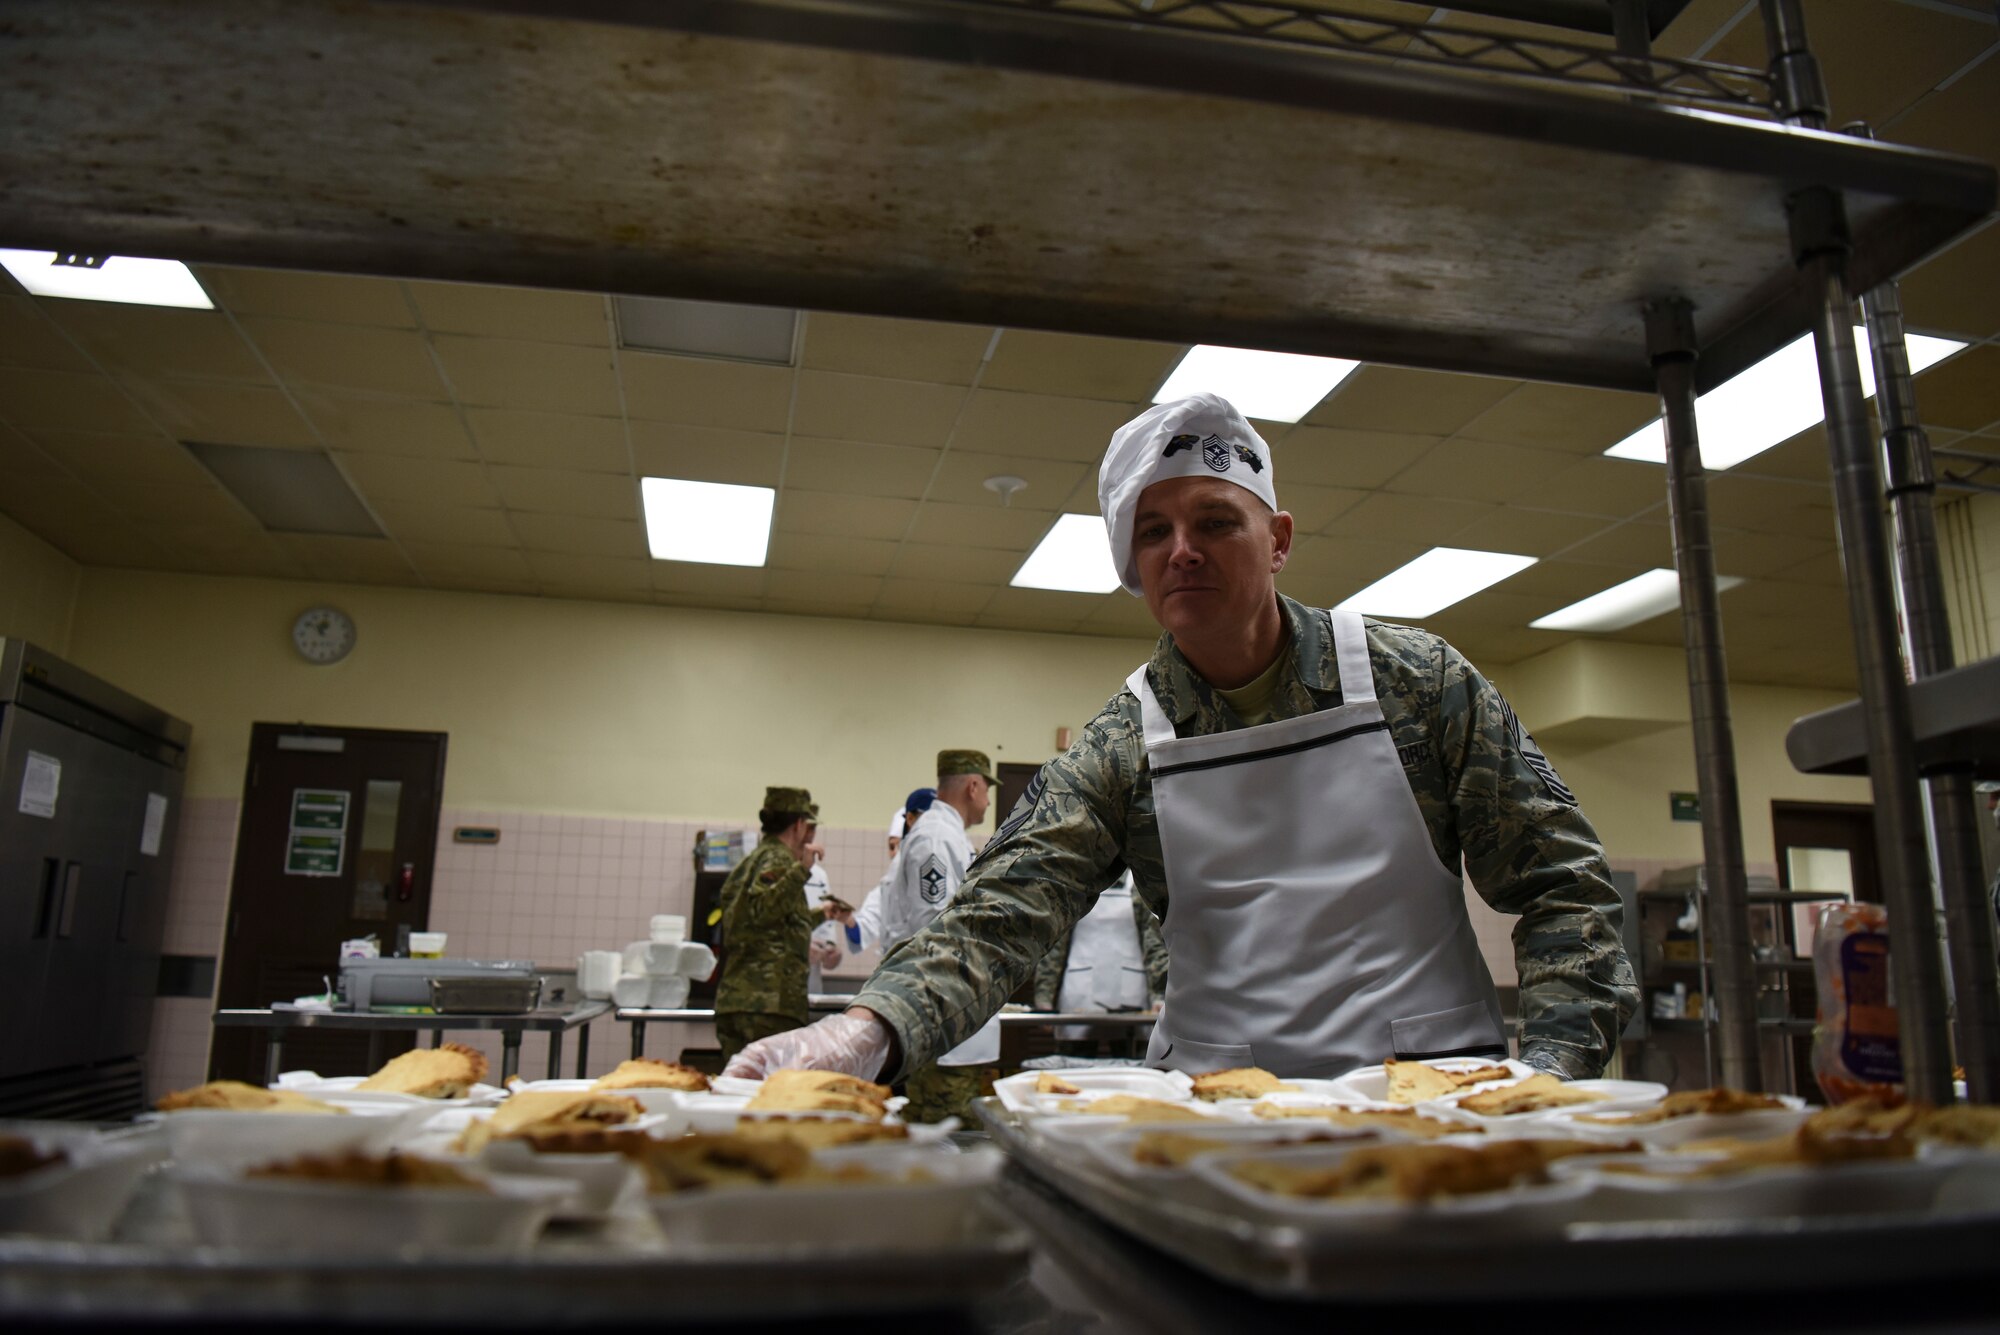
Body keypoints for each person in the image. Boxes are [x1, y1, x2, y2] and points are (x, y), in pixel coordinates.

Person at [724, 393, 1637, 1089]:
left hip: (1438, 1110)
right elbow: (1001, 911)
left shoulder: (1420, 682)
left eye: (1213, 521)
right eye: (1153, 531)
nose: (1182, 550)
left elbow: (1568, 886)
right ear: (1133, 565)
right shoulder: (1125, 743)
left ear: (1276, 538)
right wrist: (868, 1029)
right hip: (1218, 1124)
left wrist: (1550, 1076)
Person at [875, 753, 1003, 1122]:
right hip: (943, 1016)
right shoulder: (935, 838)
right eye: (986, 790)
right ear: (973, 786)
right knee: (940, 1133)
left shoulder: (947, 836)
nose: (988, 801)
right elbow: (936, 926)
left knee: (952, 1130)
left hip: (955, 1013)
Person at [712, 785, 821, 1065]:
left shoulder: (750, 862)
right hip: (768, 1005)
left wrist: (822, 914)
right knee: (767, 1099)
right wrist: (802, 871)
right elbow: (763, 910)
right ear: (798, 825)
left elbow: (766, 922)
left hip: (739, 1000)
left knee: (738, 1095)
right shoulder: (779, 859)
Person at [1032, 871, 1168, 1051]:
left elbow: (1153, 944)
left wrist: (1159, 994)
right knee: (1073, 1064)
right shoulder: (1073, 882)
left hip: (1131, 996)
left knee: (1131, 1066)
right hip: (1079, 994)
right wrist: (1044, 995)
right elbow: (1055, 945)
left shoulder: (1140, 884)